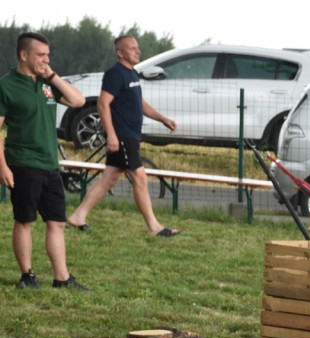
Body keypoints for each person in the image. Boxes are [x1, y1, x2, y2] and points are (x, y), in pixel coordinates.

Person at [66, 36, 179, 237]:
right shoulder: (114, 73)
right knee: (140, 177)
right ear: (120, 53)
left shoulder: (132, 73)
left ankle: (78, 216)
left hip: (130, 136)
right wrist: (111, 135)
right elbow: (102, 103)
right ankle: (154, 227)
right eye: (133, 48)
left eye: (138, 48)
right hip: (122, 136)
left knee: (109, 179)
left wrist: (162, 119)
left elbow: (139, 102)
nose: (138, 51)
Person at [0, 32, 88, 290]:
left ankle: (62, 278)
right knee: (25, 220)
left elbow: (78, 101)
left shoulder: (47, 83)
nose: (46, 59)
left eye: (48, 55)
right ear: (23, 55)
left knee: (57, 221)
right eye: (41, 55)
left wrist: (51, 75)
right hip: (23, 162)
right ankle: (27, 277)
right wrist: (3, 166)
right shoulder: (6, 85)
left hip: (50, 163)